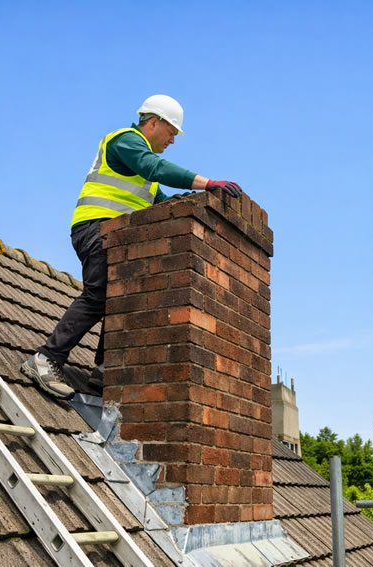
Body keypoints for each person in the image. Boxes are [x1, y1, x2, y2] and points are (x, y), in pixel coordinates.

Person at [22, 94, 243, 400]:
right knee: (99, 296)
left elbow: (162, 203)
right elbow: (153, 166)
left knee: (120, 300)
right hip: (94, 229)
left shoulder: (145, 174)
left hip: (115, 236)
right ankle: (45, 360)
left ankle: (102, 373)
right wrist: (206, 183)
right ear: (154, 122)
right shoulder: (125, 141)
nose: (173, 140)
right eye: (172, 132)